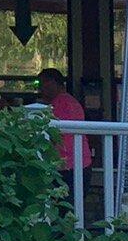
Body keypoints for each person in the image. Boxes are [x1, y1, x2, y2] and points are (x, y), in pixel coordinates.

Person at [37, 68, 89, 207]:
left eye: (43, 85)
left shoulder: (59, 104)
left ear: (53, 83)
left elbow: (51, 132)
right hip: (81, 162)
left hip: (67, 165)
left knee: (62, 208)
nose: (40, 90)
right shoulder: (72, 102)